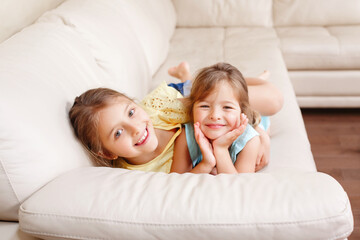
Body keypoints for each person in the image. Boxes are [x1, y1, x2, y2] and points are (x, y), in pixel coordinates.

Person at [69, 62, 282, 173]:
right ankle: (188, 75)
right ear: (106, 153)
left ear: (135, 104)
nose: (135, 129)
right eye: (118, 132)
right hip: (198, 108)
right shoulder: (134, 176)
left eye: (131, 112)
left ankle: (239, 80)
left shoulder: (156, 111)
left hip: (184, 97)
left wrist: (260, 133)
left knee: (274, 100)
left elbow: (206, 105)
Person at [171, 62, 273, 174]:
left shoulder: (250, 140)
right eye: (204, 106)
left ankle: (260, 79)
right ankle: (184, 75)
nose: (215, 116)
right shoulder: (186, 135)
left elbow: (238, 187)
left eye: (227, 107)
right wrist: (206, 164)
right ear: (192, 109)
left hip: (255, 120)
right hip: (232, 117)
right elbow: (177, 180)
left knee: (261, 122)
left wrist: (221, 150)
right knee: (198, 90)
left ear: (241, 112)